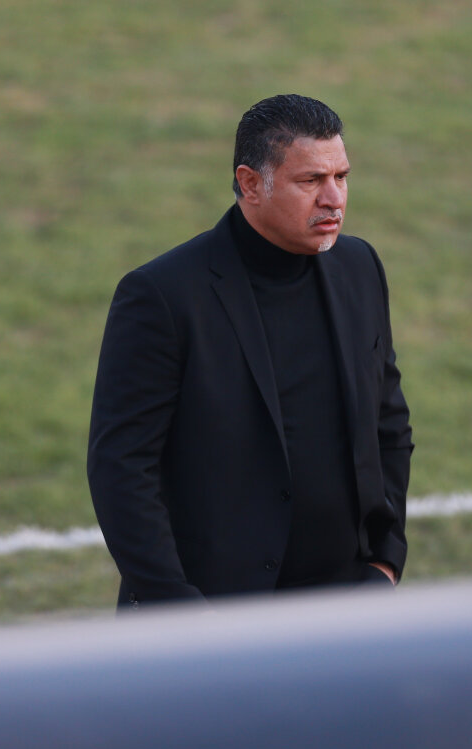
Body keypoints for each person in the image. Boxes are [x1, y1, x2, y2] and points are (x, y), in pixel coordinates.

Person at [87, 94, 413, 609]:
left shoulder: (359, 267)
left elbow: (389, 423)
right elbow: (121, 468)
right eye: (311, 181)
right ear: (250, 183)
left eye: (342, 177)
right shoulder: (163, 295)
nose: (334, 199)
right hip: (215, 616)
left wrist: (386, 560)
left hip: (348, 606)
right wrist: (180, 611)